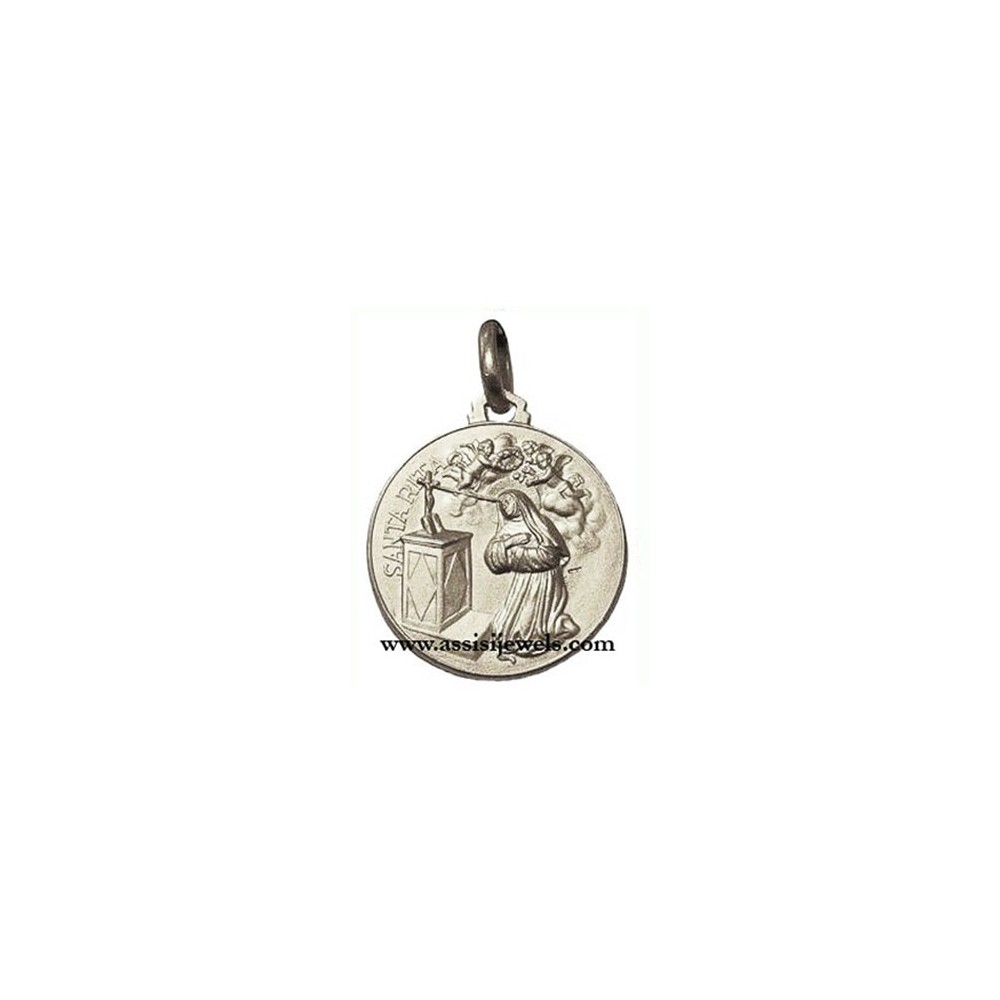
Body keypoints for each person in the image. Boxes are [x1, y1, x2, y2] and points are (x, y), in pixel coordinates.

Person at [484, 490, 578, 650]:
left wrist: (516, 554)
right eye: (502, 503)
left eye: (508, 501)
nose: (504, 506)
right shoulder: (507, 528)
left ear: (520, 502)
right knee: (512, 619)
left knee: (535, 617)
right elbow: (491, 556)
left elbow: (551, 556)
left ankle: (543, 634)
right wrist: (509, 543)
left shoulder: (541, 523)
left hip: (544, 579)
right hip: (522, 581)